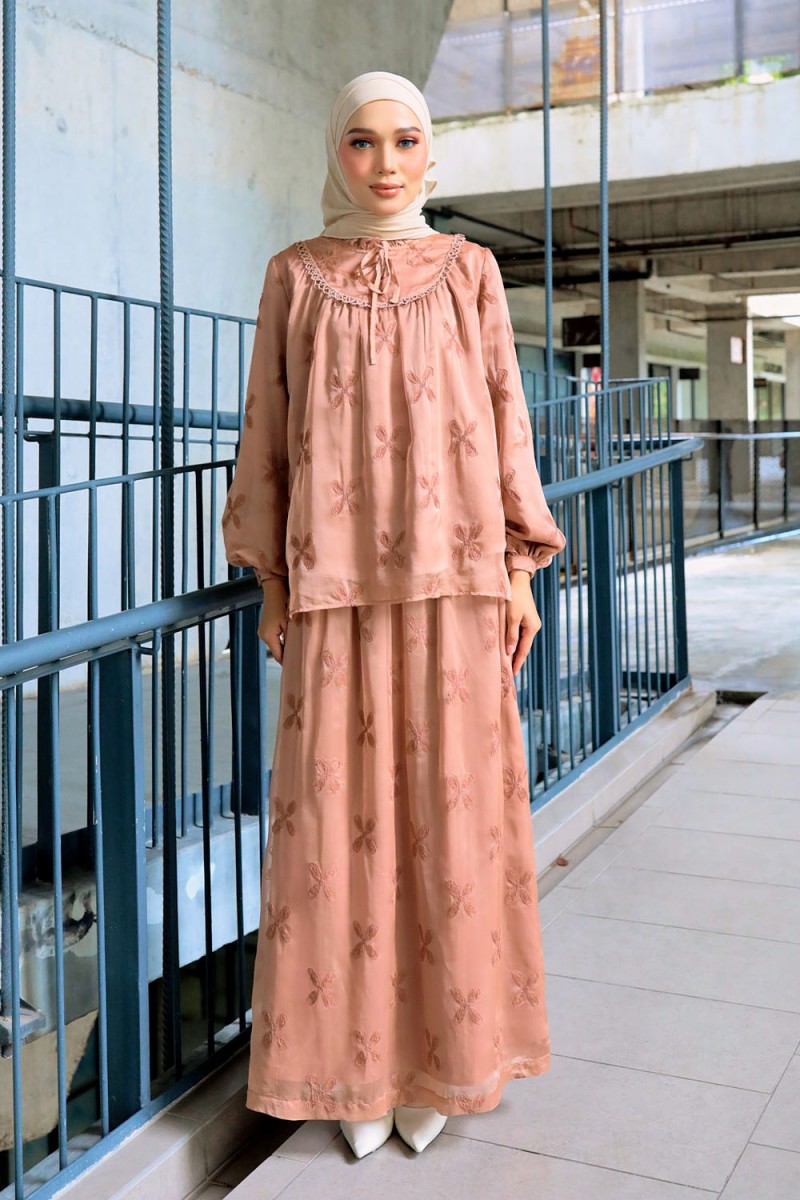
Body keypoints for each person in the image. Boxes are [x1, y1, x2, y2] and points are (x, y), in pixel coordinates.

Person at [222, 69, 566, 1160]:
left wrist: (519, 568)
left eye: (405, 140)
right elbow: (266, 430)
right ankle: (353, 1069)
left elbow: (505, 418)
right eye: (363, 141)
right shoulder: (293, 276)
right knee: (334, 836)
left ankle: (446, 1059)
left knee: (451, 828)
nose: (384, 164)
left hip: (457, 586)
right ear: (337, 151)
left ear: (430, 153)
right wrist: (272, 581)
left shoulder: (469, 271)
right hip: (332, 594)